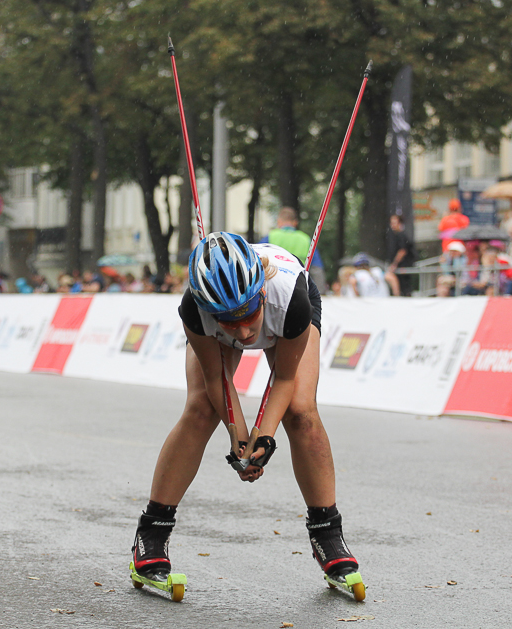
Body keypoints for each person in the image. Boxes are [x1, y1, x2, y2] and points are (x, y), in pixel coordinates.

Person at [130, 232, 361, 591]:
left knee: (300, 411)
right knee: (200, 410)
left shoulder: (290, 300)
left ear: (262, 294)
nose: (243, 329)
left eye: (248, 314)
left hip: (286, 311)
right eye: (228, 320)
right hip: (223, 318)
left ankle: (327, 535)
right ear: (209, 312)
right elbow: (217, 379)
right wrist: (239, 437)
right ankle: (152, 535)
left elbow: (283, 378)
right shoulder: (196, 307)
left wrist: (264, 437)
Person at [385, 214, 416, 296]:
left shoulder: (402, 235)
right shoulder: (396, 236)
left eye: (394, 223)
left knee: (404, 289)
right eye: (391, 223)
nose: (392, 225)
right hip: (400, 268)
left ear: (400, 223)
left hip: (403, 268)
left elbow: (402, 251)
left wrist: (394, 264)